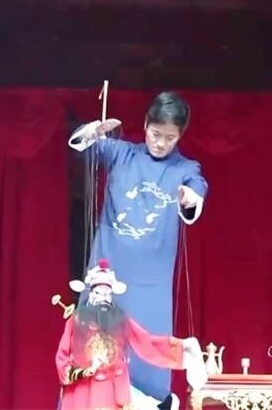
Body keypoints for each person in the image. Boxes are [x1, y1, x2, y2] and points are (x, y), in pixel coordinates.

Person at [68, 91, 208, 402]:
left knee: (150, 354)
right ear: (145, 124)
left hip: (151, 282)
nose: (160, 143)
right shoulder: (122, 154)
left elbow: (198, 187)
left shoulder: (184, 169)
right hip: (108, 272)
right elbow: (83, 145)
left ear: (180, 135)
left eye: (169, 138)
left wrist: (191, 197)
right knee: (93, 349)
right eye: (155, 134)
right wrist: (92, 131)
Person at [56, 260, 207, 410]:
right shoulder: (76, 320)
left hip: (113, 388)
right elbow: (62, 357)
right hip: (84, 390)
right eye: (98, 293)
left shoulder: (120, 320)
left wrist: (182, 348)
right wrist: (81, 372)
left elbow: (146, 343)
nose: (103, 297)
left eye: (107, 293)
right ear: (90, 294)